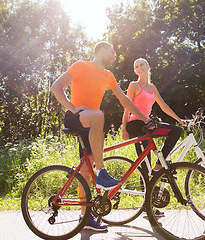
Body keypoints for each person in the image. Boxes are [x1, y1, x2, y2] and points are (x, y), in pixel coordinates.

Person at [51, 42, 149, 231]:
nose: (115, 56)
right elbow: (56, 87)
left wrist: (145, 118)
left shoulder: (108, 76)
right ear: (102, 51)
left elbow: (124, 99)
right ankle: (102, 172)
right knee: (98, 115)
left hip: (91, 125)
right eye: (112, 52)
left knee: (85, 172)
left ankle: (85, 217)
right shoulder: (81, 66)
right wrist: (72, 108)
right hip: (75, 118)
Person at [122, 58, 186, 175]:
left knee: (176, 131)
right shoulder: (134, 85)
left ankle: (157, 168)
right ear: (135, 71)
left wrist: (179, 119)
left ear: (148, 67)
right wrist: (124, 129)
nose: (139, 68)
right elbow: (127, 108)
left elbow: (163, 106)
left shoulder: (152, 88)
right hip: (136, 125)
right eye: (136, 67)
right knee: (145, 164)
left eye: (141, 65)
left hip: (148, 125)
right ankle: (147, 189)